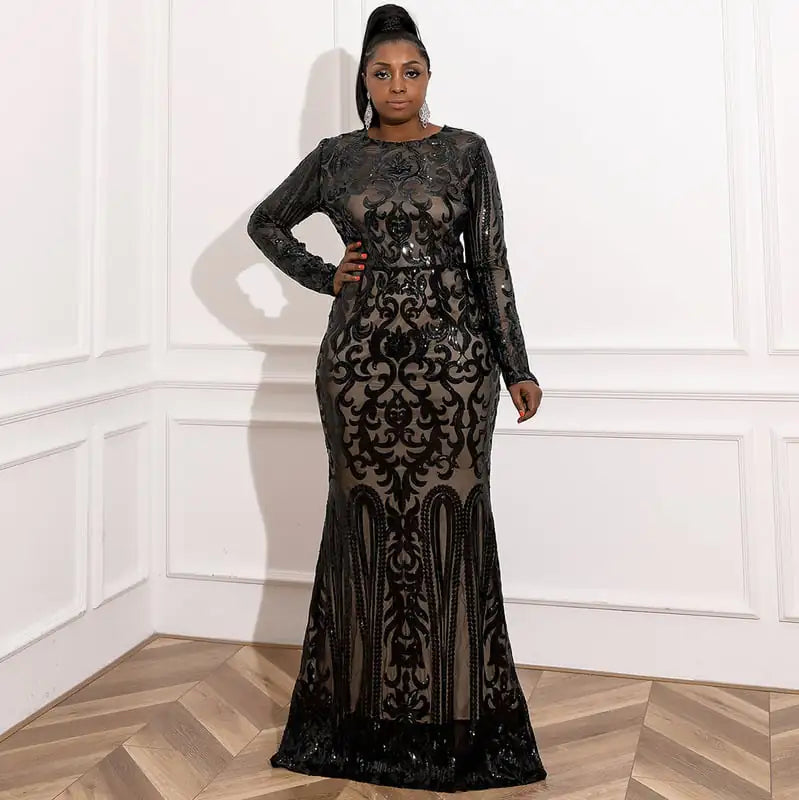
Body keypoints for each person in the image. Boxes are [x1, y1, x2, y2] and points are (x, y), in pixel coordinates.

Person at [246, 3, 547, 792]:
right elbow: (266, 224)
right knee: (362, 529)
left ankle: (460, 724)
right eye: (381, 73)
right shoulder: (335, 158)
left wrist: (515, 364)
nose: (397, 85)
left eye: (410, 71)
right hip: (357, 371)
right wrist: (325, 275)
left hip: (455, 369)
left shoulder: (466, 153)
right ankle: (357, 720)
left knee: (454, 529)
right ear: (364, 82)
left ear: (428, 77)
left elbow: (490, 264)